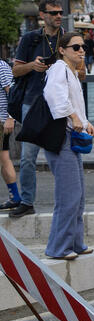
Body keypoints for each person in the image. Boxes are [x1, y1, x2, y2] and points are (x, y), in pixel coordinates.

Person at [41, 33, 94, 259]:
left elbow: (71, 103)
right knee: (69, 194)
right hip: (61, 138)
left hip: (69, 137)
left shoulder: (70, 71)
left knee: (78, 193)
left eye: (83, 46)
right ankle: (58, 247)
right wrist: (75, 118)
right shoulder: (58, 69)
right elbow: (55, 98)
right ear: (62, 50)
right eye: (75, 47)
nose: (81, 50)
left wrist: (85, 122)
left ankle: (75, 242)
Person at [9, 0, 65, 218]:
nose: (58, 16)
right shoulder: (30, 39)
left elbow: (81, 72)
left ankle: (65, 202)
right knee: (28, 157)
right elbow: (15, 71)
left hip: (59, 103)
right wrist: (33, 65)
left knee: (61, 155)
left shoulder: (68, 38)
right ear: (43, 15)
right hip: (32, 102)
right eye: (53, 13)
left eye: (60, 12)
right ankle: (27, 201)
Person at [0, 58, 18, 209]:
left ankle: (15, 197)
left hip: (1, 121)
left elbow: (12, 92)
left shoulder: (1, 66)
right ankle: (15, 197)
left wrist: (10, 117)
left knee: (4, 159)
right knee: (4, 158)